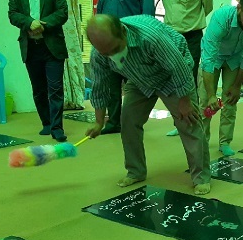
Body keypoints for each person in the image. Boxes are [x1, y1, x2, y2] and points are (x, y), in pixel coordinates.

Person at [85, 14, 211, 195]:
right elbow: (100, 86)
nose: (112, 55)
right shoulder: (99, 52)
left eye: (115, 49)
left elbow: (178, 67)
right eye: (106, 53)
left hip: (172, 75)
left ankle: (201, 177)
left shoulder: (150, 36)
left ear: (123, 32)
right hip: (140, 79)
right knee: (128, 122)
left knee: (188, 122)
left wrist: (185, 101)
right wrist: (98, 122)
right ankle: (135, 171)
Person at [8, 0, 68, 142]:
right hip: (31, 48)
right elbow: (13, 14)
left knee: (55, 89)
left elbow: (62, 13)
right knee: (39, 90)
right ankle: (47, 123)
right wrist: (29, 22)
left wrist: (42, 24)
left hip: (52, 47)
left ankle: (57, 128)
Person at [97, 0, 155, 135]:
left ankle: (134, 122)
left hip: (132, 45)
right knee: (112, 86)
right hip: (110, 46)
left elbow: (148, 17)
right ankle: (113, 122)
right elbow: (99, 15)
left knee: (134, 87)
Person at [201, 0, 243, 157]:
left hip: (234, 58)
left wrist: (237, 86)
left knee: (230, 100)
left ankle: (225, 142)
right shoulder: (221, 18)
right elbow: (208, 60)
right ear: (239, 8)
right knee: (205, 102)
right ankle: (201, 142)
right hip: (214, 57)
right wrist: (211, 95)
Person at [158, 0, 213, 137]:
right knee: (173, 81)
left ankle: (194, 123)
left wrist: (191, 22)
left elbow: (208, 5)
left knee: (188, 81)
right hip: (170, 37)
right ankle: (180, 121)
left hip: (192, 37)